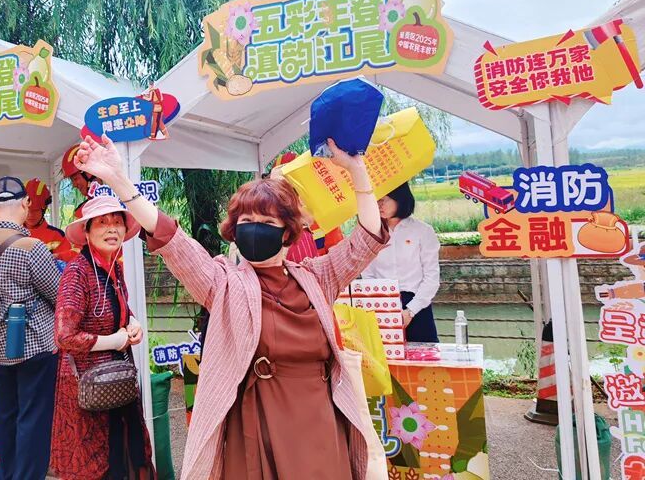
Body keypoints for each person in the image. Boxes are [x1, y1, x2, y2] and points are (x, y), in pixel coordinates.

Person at [74, 134, 389, 480]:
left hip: (320, 421)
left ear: (287, 233)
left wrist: (357, 170)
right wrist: (118, 179)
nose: (254, 230)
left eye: (267, 223)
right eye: (246, 221)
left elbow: (366, 240)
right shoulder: (223, 282)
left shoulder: (318, 277)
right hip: (258, 422)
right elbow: (171, 239)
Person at [0, 176, 61, 480]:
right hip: (36, 346)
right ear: (26, 203)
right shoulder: (32, 247)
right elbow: (59, 294)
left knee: (5, 418)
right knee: (34, 421)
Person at [50, 196, 155, 480]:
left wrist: (132, 323)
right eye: (102, 222)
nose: (112, 229)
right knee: (96, 460)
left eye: (117, 222)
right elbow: (64, 336)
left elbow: (120, 308)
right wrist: (114, 341)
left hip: (116, 380)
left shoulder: (113, 267)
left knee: (125, 449)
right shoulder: (77, 273)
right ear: (86, 232)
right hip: (87, 385)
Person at [362, 182, 441, 343]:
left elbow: (431, 278)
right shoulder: (370, 233)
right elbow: (367, 275)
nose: (379, 205)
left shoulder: (423, 231)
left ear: (400, 199)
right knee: (385, 355)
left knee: (424, 355)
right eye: (376, 200)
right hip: (382, 305)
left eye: (384, 200)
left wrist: (410, 311)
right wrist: (383, 305)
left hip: (417, 306)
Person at [24, 178, 76, 264]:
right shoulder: (13, 233)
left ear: (44, 209)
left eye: (35, 211)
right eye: (28, 211)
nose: (30, 215)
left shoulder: (57, 236)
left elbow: (66, 266)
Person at [62, 144, 97, 218]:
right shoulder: (81, 212)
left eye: (75, 179)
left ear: (89, 172)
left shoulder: (116, 200)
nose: (74, 185)